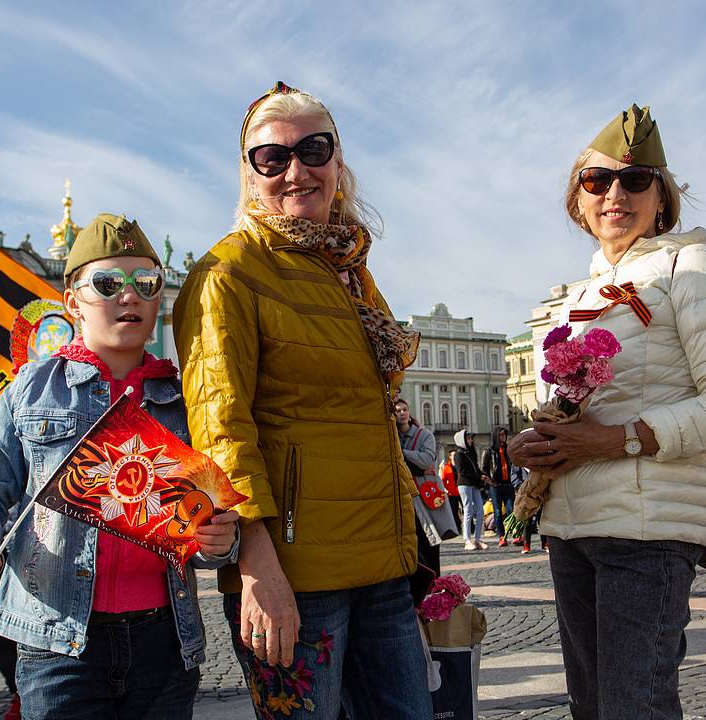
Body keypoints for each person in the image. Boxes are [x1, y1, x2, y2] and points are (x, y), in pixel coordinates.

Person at [172, 81, 431, 720]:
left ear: (339, 163)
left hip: (382, 563)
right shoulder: (228, 273)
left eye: (314, 149)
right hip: (293, 573)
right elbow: (219, 426)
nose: (296, 170)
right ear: (249, 174)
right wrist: (255, 564)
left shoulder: (350, 269)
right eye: (272, 158)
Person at [508, 104, 706, 719]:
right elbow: (588, 404)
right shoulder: (583, 292)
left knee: (635, 706)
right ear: (578, 198)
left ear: (662, 196)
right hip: (573, 526)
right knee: (592, 706)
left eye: (635, 180)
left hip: (648, 527)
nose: (615, 194)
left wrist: (613, 441)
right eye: (597, 182)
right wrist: (539, 440)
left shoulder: (691, 265)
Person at [0, 213, 240, 719]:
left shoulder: (188, 401)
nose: (129, 296)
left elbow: (209, 524)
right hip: (58, 642)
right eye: (108, 283)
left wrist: (219, 542)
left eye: (145, 283)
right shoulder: (30, 390)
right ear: (72, 302)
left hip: (165, 642)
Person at [395, 398, 441, 606]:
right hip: (402, 496)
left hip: (423, 496)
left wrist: (402, 453)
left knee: (429, 540)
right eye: (398, 410)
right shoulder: (393, 435)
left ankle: (434, 587)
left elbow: (426, 461)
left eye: (405, 409)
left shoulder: (423, 435)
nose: (402, 413)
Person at [481, 427, 515, 547]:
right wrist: (491, 482)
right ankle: (502, 537)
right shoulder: (489, 451)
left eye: (504, 435)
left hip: (508, 484)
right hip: (496, 486)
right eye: (500, 435)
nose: (503, 437)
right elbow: (484, 470)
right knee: (498, 512)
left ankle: (516, 534)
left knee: (511, 510)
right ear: (496, 436)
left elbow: (514, 464)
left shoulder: (508, 450)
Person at [453, 430, 486, 550]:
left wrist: (483, 475)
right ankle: (467, 540)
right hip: (464, 484)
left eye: (471, 438)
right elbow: (462, 472)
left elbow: (476, 469)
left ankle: (477, 539)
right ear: (462, 440)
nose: (470, 441)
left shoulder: (471, 453)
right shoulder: (458, 455)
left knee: (480, 511)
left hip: (474, 484)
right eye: (468, 438)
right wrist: (479, 476)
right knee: (468, 510)